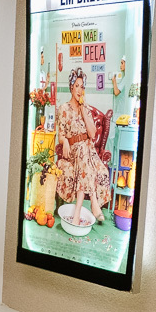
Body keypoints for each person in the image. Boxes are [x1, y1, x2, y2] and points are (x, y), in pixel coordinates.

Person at [54, 67, 110, 225]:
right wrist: (65, 141)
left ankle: (77, 211)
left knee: (96, 166)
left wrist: (84, 109)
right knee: (83, 152)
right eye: (77, 85)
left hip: (88, 151)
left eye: (82, 87)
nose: (79, 89)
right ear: (71, 86)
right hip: (74, 150)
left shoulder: (86, 108)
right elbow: (61, 135)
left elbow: (92, 134)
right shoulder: (64, 109)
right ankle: (94, 202)